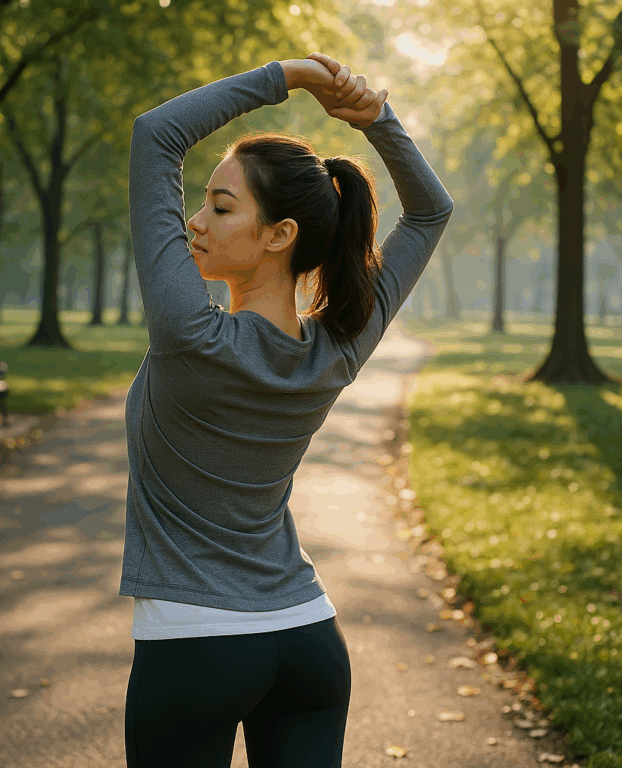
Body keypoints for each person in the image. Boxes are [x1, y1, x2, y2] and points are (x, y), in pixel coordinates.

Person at [122, 52, 454, 768]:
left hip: (194, 646)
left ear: (279, 235)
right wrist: (378, 120)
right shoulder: (337, 347)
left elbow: (156, 135)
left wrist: (289, 77)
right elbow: (431, 211)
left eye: (221, 206)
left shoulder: (189, 335)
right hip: (307, 641)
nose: (194, 222)